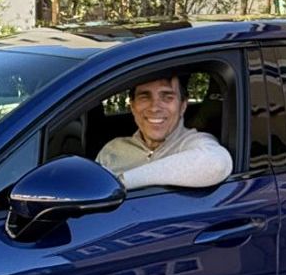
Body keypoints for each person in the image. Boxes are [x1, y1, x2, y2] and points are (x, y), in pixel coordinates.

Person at [96, 72, 233, 190]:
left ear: (183, 106)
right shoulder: (112, 150)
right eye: (144, 97)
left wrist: (120, 183)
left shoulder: (195, 143)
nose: (155, 108)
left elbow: (217, 165)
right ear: (132, 106)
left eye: (167, 97)